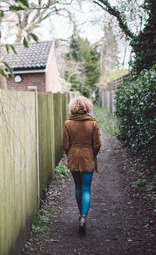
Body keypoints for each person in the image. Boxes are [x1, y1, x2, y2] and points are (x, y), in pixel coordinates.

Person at [62, 96, 101, 235]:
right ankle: (83, 216)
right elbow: (97, 144)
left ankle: (81, 214)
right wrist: (92, 154)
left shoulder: (68, 123)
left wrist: (70, 153)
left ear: (73, 107)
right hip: (88, 157)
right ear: (87, 107)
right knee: (86, 188)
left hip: (73, 158)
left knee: (78, 187)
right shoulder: (93, 123)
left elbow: (65, 145)